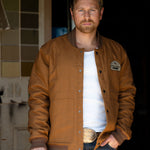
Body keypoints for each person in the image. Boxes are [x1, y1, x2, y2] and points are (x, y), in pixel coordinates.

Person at [28, 0, 136, 150]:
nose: (86, 16)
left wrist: (121, 133)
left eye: (92, 10)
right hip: (62, 143)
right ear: (72, 13)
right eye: (81, 10)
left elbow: (126, 95)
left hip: (105, 144)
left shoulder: (116, 52)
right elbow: (38, 97)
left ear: (101, 13)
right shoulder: (50, 51)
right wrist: (38, 141)